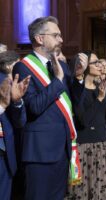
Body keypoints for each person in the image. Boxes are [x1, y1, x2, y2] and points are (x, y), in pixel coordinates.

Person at [12, 16, 84, 199]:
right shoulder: (23, 67)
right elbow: (35, 107)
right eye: (56, 35)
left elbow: (74, 103)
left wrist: (78, 78)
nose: (61, 39)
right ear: (40, 38)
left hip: (63, 147)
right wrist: (58, 81)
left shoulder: (61, 65)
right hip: (40, 152)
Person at [66, 51, 106, 200]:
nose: (100, 65)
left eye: (99, 61)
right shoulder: (77, 89)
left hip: (102, 143)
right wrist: (99, 99)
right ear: (83, 66)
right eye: (95, 62)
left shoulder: (101, 87)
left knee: (102, 189)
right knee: (82, 190)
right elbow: (84, 120)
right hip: (83, 145)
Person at [0, 50, 30, 200]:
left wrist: (17, 102)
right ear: (12, 66)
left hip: (5, 153)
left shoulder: (14, 85)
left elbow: (20, 122)